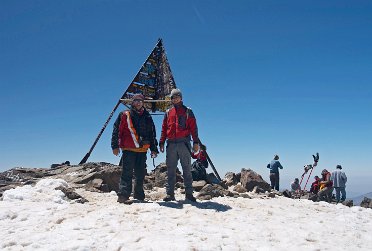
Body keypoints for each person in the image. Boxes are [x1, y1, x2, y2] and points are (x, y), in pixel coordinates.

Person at [111, 94, 158, 204]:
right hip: (129, 149)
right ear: (132, 102)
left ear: (143, 103)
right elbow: (116, 130)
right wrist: (115, 146)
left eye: (140, 101)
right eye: (136, 101)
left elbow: (152, 133)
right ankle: (123, 196)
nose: (138, 103)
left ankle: (139, 195)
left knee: (140, 174)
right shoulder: (124, 114)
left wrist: (154, 149)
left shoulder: (147, 116)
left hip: (142, 150)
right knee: (127, 173)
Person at [159, 88, 199, 202]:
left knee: (186, 169)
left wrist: (195, 142)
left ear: (181, 98)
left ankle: (189, 194)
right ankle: (170, 194)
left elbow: (193, 128)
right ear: (171, 99)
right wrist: (161, 142)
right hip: (170, 144)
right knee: (170, 170)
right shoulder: (168, 112)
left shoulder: (187, 111)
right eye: (173, 97)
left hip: (184, 143)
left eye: (177, 96)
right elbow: (164, 129)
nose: (175, 99)